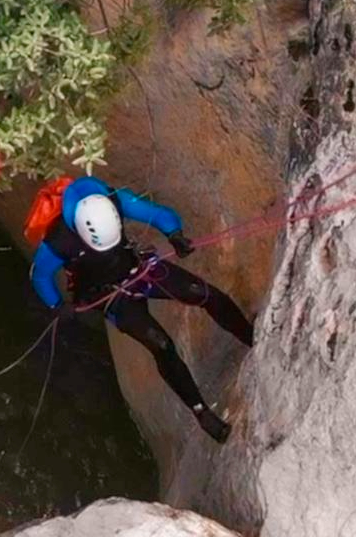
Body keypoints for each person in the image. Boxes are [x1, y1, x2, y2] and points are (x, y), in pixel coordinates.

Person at [29, 176, 255, 442]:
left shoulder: (113, 199)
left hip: (137, 268)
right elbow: (39, 275)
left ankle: (251, 337)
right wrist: (56, 305)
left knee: (205, 294)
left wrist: (175, 234)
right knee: (160, 344)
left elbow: (156, 213)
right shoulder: (58, 241)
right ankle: (202, 412)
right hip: (108, 296)